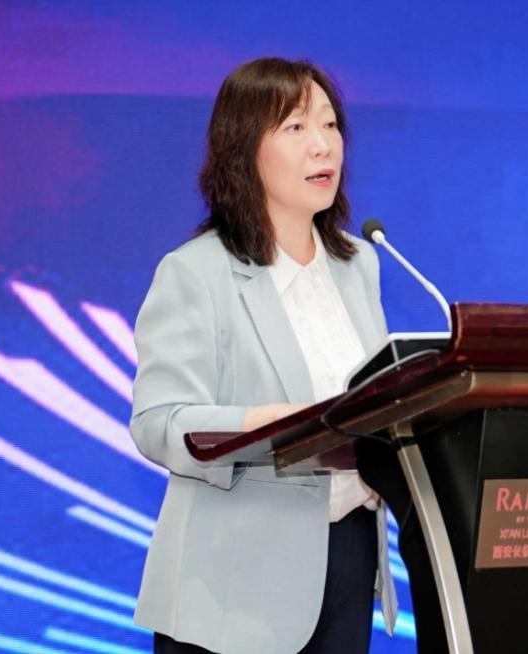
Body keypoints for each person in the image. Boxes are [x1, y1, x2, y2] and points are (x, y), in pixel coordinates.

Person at [129, 57, 396, 654]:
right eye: (296, 128)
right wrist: (262, 425)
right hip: (232, 587)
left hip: (348, 559)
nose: (322, 145)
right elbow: (157, 422)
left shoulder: (360, 264)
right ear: (243, 149)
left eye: (330, 125)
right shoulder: (196, 273)